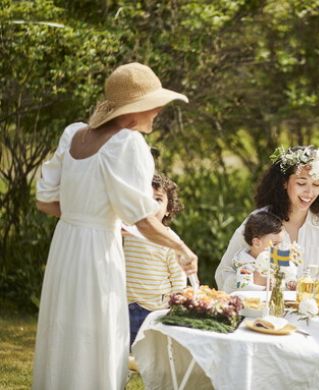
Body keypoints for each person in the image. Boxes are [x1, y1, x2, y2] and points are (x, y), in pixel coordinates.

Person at [33, 62, 198, 390]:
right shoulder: (128, 142)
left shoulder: (73, 133)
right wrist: (181, 248)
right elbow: (145, 219)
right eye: (156, 105)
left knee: (66, 328)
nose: (159, 110)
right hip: (97, 252)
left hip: (67, 245)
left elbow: (46, 201)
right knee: (98, 330)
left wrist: (88, 215)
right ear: (136, 109)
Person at [216, 146, 319, 291]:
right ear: (284, 182)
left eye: (316, 184)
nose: (309, 192)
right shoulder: (260, 220)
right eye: (301, 183)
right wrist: (251, 282)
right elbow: (223, 274)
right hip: (268, 315)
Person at [125, 173, 187, 347]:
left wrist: (175, 310)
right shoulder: (128, 231)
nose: (151, 204)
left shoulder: (170, 240)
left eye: (158, 199)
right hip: (123, 305)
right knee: (120, 357)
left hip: (153, 311)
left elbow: (178, 279)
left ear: (168, 209)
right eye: (147, 198)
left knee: (150, 358)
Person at [226, 210, 287, 292]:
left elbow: (289, 272)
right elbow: (242, 286)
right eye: (275, 243)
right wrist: (263, 288)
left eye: (280, 243)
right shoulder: (244, 263)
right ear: (257, 243)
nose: (279, 247)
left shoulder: (276, 255)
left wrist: (291, 282)